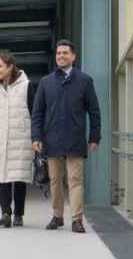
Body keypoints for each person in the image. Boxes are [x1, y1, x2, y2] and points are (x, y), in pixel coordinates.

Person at [31, 40, 102, 234]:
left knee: (75, 180)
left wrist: (95, 137)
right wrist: (36, 136)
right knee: (55, 180)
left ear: (73, 57)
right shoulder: (46, 82)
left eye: (65, 53)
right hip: (51, 139)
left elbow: (94, 111)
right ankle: (57, 216)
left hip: (75, 138)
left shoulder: (85, 81)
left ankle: (77, 219)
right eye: (58, 53)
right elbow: (37, 113)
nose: (61, 56)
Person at [0, 50, 35, 227]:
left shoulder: (27, 86)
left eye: (0, 66)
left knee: (18, 177)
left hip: (21, 138)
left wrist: (36, 137)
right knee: (1, 176)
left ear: (10, 66)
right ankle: (5, 213)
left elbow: (35, 113)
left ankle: (18, 214)